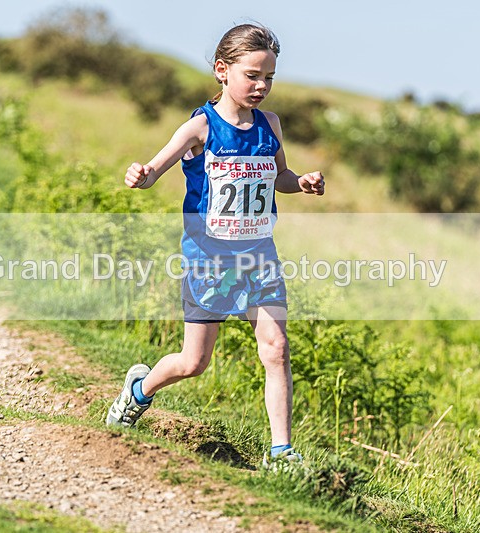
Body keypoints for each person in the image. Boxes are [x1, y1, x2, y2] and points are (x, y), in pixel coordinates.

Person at [105, 23, 325, 468]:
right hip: (208, 260)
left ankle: (281, 452)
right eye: (252, 75)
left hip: (259, 256)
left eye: (269, 77)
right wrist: (141, 175)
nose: (261, 86)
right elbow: (155, 169)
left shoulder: (271, 125)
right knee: (193, 362)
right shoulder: (200, 128)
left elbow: (279, 176)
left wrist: (299, 182)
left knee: (276, 348)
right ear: (223, 71)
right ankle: (138, 390)